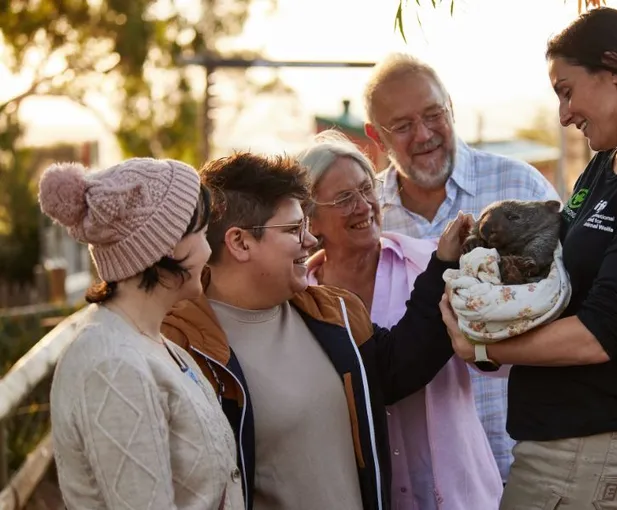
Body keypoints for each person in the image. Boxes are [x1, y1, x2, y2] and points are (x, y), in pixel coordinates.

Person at [439, 7, 617, 509]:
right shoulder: (602, 168)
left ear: (614, 69)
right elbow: (558, 281)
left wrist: (482, 350)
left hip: (591, 446)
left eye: (566, 90)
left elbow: (600, 335)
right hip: (557, 442)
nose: (564, 114)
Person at [161, 152, 471, 510]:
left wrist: (445, 265)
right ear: (240, 243)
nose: (310, 241)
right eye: (294, 229)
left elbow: (399, 367)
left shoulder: (334, 312)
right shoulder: (180, 349)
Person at [363, 52, 561, 483]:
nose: (424, 134)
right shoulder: (365, 217)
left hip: (520, 460)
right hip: (420, 480)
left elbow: (569, 299)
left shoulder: (520, 187)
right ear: (375, 136)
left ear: (451, 106)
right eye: (402, 125)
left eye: (434, 114)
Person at [300, 130, 503, 510]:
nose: (363, 206)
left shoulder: (430, 262)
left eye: (366, 189)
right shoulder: (299, 301)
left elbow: (498, 359)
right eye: (344, 198)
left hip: (458, 498)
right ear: (311, 221)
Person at [42, 158, 244, 510]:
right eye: (199, 232)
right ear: (167, 245)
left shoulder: (154, 346)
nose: (209, 249)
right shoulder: (111, 366)